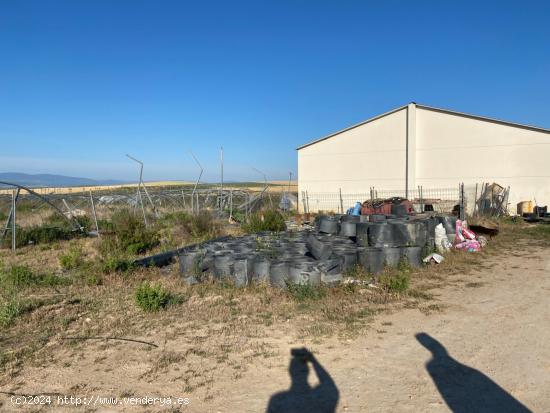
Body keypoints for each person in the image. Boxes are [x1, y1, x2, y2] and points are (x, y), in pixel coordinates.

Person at [266, 348, 339, 413]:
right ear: (307, 372)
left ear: (290, 372)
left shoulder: (277, 399)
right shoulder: (323, 396)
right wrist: (313, 360)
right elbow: (329, 383)